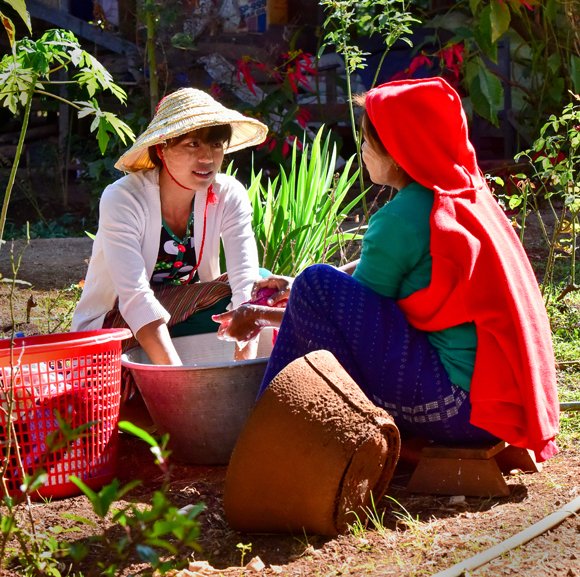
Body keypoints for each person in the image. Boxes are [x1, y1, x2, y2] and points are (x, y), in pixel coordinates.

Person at [213, 77, 560, 462]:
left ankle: (265, 443)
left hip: (456, 409)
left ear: (396, 150)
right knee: (312, 283)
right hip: (495, 406)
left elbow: (349, 313)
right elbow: (376, 285)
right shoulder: (463, 196)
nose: (361, 149)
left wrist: (260, 313)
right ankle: (280, 434)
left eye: (365, 140)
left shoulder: (398, 220)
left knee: (316, 281)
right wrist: (295, 290)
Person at [71, 88, 268, 363]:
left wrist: (244, 367)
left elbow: (246, 280)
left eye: (215, 145)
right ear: (161, 148)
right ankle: (137, 368)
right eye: (192, 144)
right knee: (248, 302)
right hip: (115, 326)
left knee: (263, 288)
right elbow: (135, 297)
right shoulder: (124, 198)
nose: (207, 159)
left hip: (182, 311)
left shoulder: (227, 194)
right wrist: (176, 383)